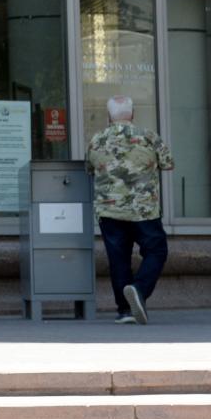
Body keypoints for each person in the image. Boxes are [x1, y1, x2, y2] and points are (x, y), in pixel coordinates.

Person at [86, 95, 174, 325]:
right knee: (156, 251)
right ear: (132, 115)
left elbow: (89, 168)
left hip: (110, 211)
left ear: (108, 116)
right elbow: (168, 163)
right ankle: (139, 289)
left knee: (119, 259)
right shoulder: (148, 137)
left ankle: (125, 311)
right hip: (143, 210)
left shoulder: (96, 140)